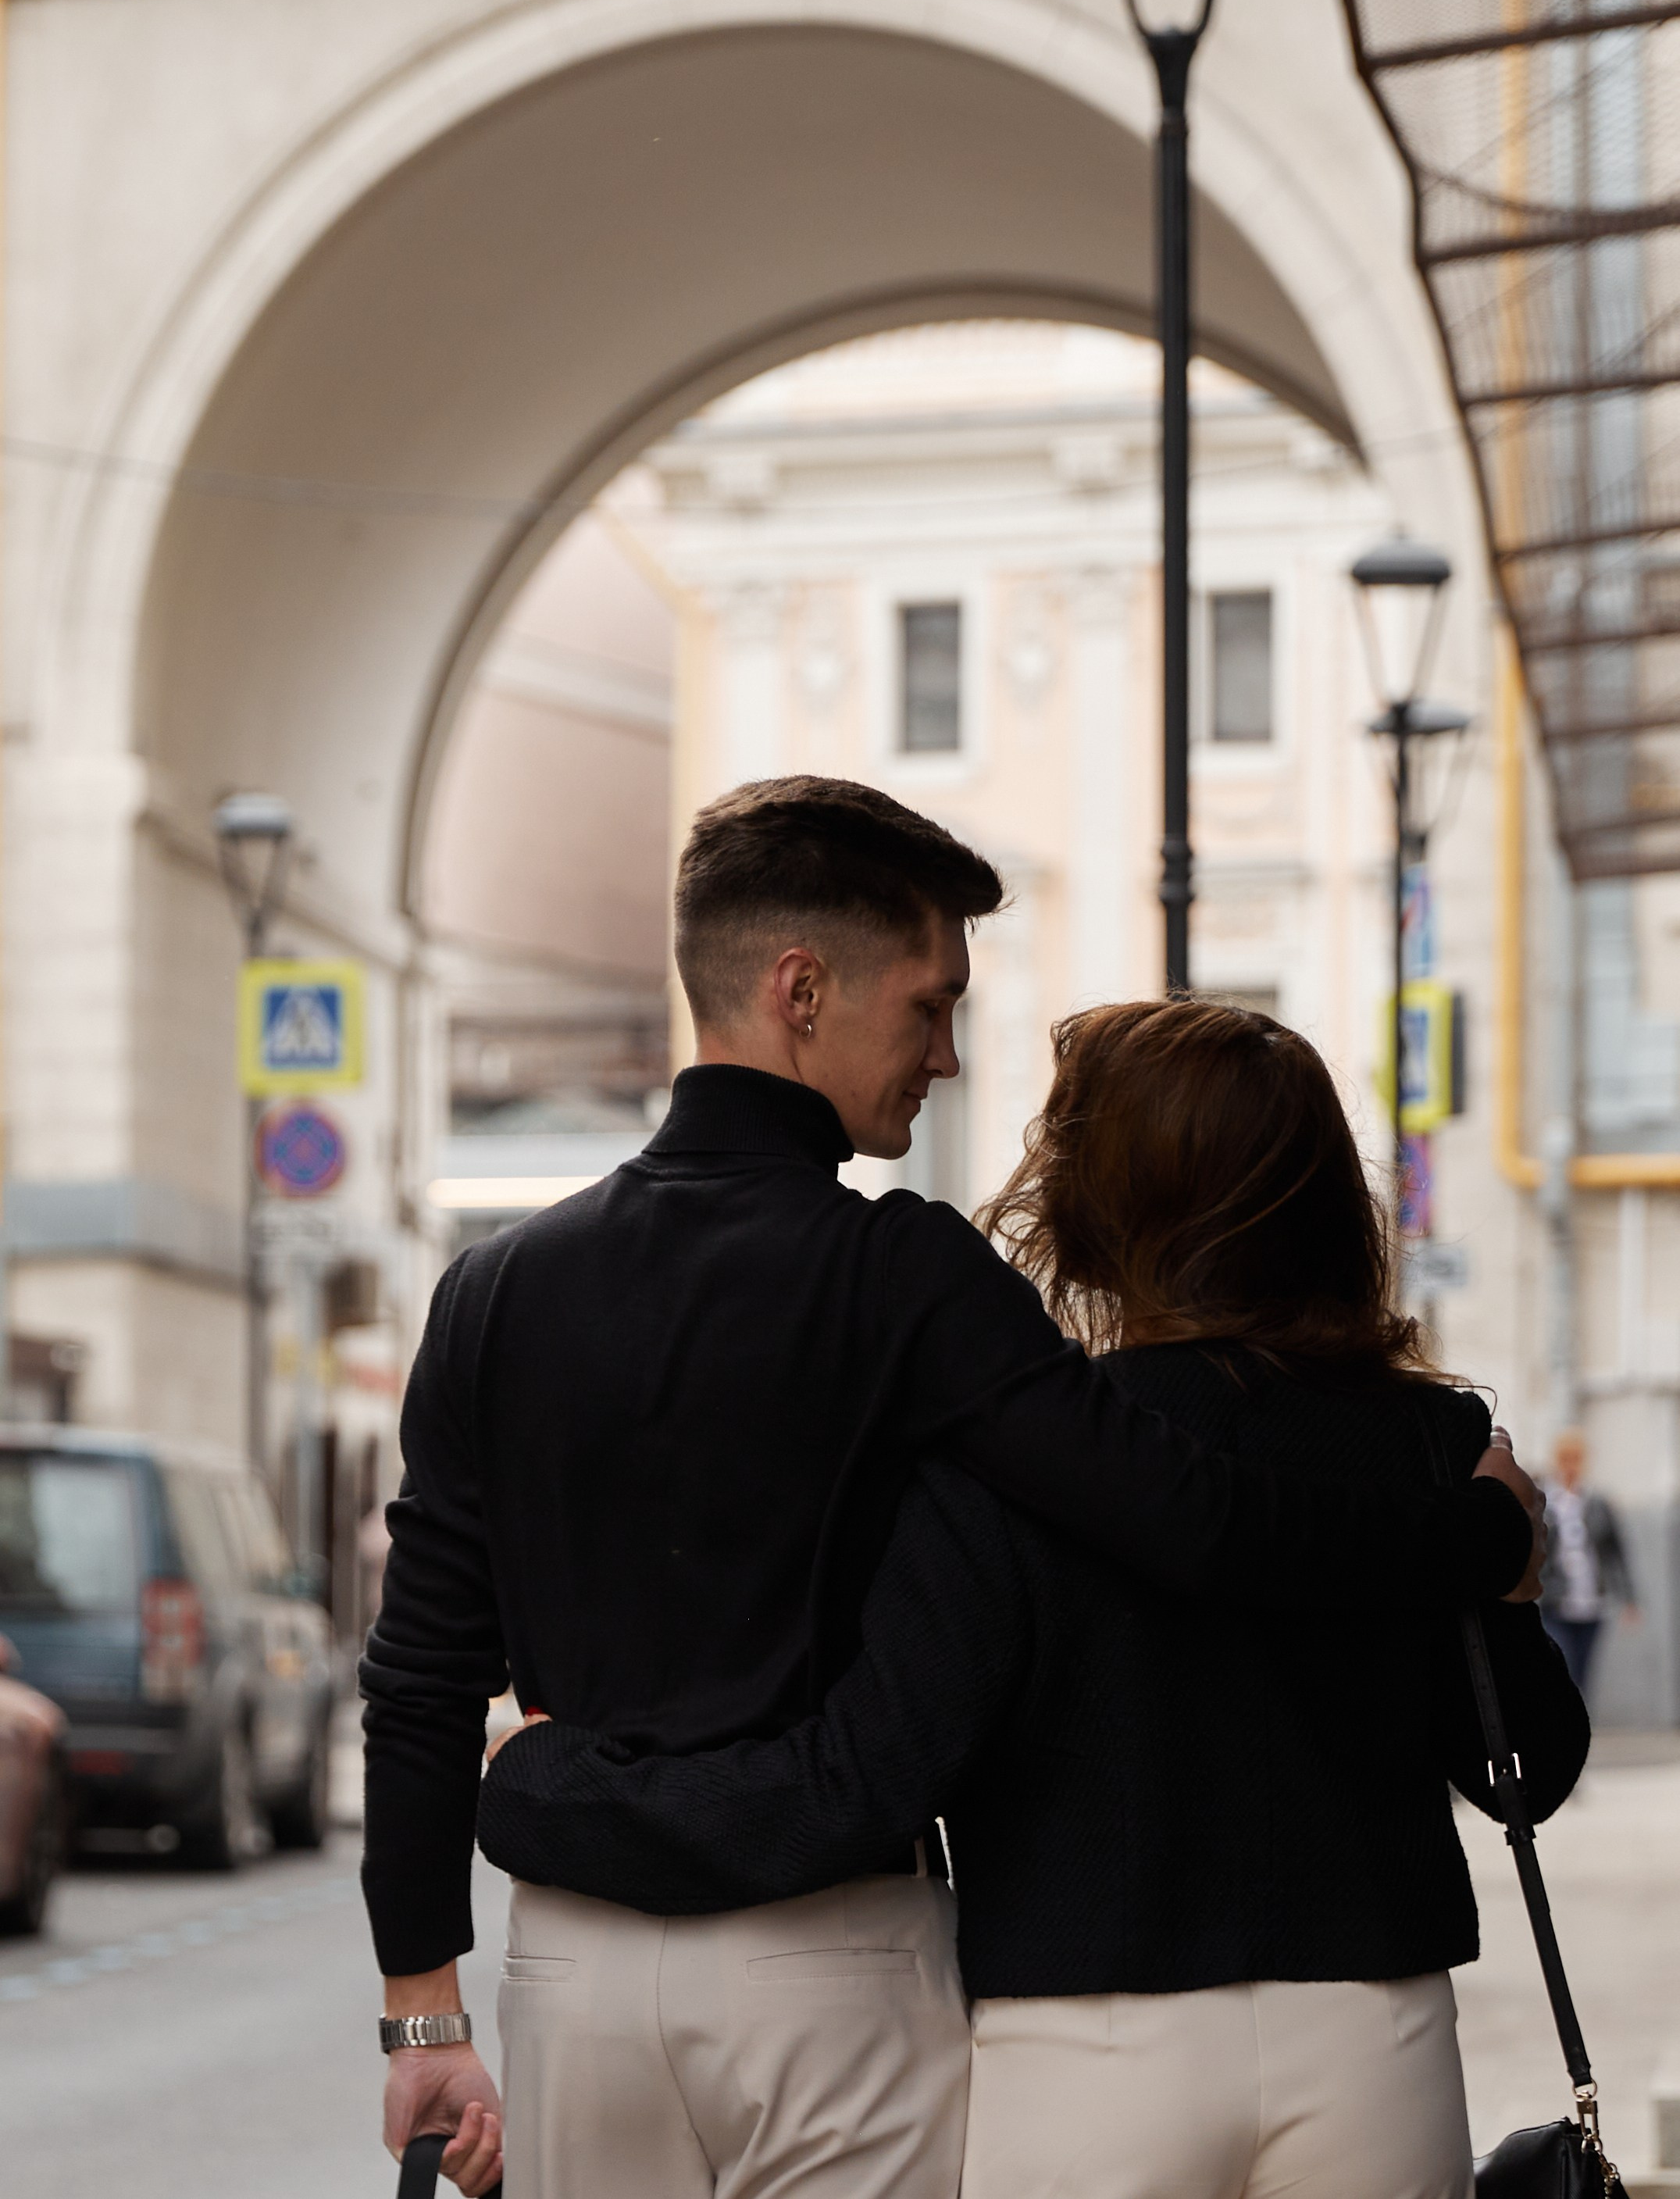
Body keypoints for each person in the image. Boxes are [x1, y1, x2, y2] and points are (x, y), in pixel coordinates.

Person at [361, 783, 1542, 2199]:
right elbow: (1193, 1519)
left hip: (574, 1965)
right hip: (832, 1958)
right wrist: (1481, 1529)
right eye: (929, 1007)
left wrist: (424, 1998)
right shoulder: (905, 1276)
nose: (948, 1056)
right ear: (801, 990)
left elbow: (422, 1673)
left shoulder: (491, 1291)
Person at [1542, 1426, 1638, 1696]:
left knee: (1583, 1674)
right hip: (1554, 1602)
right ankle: (1562, 1729)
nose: (1571, 1466)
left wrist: (1629, 1598)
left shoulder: (1596, 1502)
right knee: (1563, 1667)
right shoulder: (1545, 1501)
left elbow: (1615, 1551)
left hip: (1592, 1603)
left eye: (1576, 1459)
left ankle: (1577, 1728)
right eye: (1565, 1459)